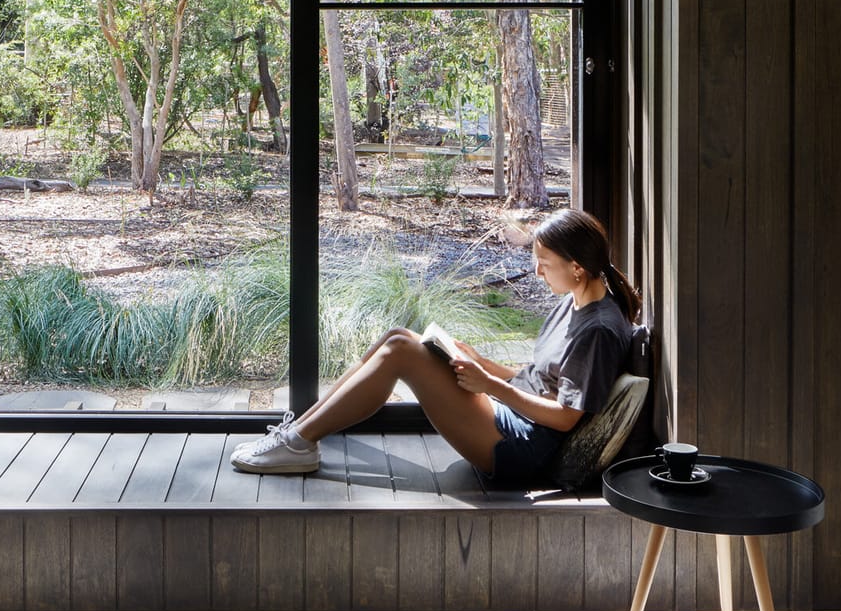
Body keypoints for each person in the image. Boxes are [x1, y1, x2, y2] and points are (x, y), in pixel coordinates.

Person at [230, 207, 641, 484]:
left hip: (520, 448)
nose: (536, 272)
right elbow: (541, 379)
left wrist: (489, 385)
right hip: (510, 412)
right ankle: (301, 430)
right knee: (398, 337)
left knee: (402, 353)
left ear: (576, 267)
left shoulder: (599, 329)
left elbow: (567, 418)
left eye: (544, 263)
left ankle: (297, 444)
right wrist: (482, 363)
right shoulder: (575, 300)